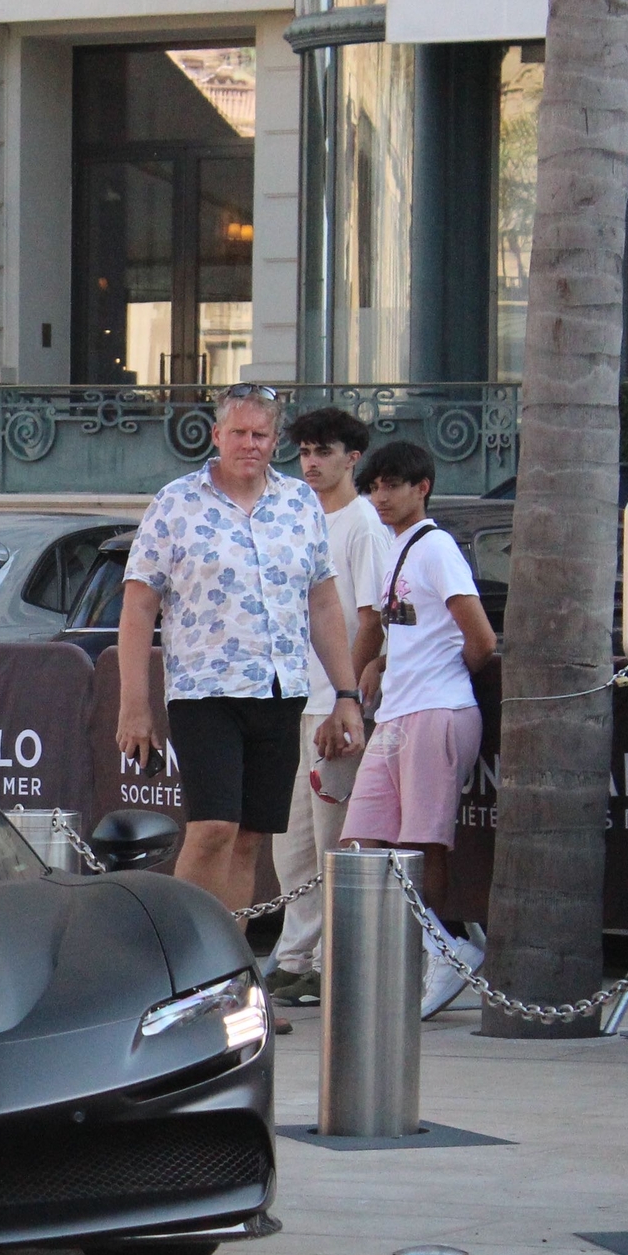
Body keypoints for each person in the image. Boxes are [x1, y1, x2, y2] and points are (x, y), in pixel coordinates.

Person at [116, 385, 365, 915]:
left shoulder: (300, 504)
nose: (249, 444)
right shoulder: (176, 503)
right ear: (216, 436)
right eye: (239, 433)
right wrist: (134, 705)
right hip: (205, 692)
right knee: (212, 830)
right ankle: (183, 960)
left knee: (250, 838)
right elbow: (138, 608)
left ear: (275, 440)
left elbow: (322, 604)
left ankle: (228, 962)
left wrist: (346, 692)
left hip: (280, 692)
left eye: (260, 434)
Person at [342, 438, 497, 1018]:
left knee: (422, 842)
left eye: (392, 485)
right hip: (398, 710)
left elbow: (479, 640)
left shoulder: (437, 550)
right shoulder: (395, 550)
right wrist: (380, 665)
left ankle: (441, 957)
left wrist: (443, 671)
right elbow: (402, 630)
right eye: (374, 486)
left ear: (421, 487)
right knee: (362, 842)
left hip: (439, 708)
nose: (381, 496)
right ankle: (431, 951)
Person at [267, 407, 391, 1009]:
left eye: (324, 451)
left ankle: (327, 962)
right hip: (291, 695)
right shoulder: (296, 514)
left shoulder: (363, 525)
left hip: (332, 706)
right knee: (288, 841)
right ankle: (293, 957)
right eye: (304, 452)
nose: (311, 463)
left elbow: (371, 619)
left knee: (331, 840)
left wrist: (349, 700)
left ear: (352, 458)